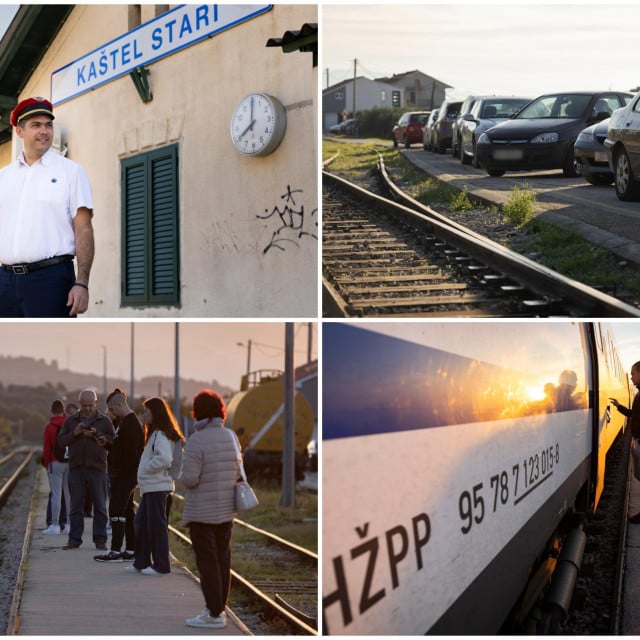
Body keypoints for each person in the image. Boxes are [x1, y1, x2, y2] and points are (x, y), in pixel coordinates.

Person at [0, 97, 94, 318]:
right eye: (36, 125)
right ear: (19, 131)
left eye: (48, 125)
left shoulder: (71, 172)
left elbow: (84, 229)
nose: (44, 131)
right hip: (4, 281)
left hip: (51, 280)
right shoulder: (3, 177)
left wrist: (82, 283)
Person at [182, 390, 241, 629]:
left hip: (202, 513)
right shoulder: (230, 436)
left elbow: (190, 479)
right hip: (226, 510)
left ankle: (214, 614)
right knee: (222, 559)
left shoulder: (197, 440)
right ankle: (218, 609)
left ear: (198, 413)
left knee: (207, 562)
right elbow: (238, 471)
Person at [127, 397, 184, 575]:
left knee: (156, 527)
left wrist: (146, 469)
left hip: (157, 486)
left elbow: (164, 458)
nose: (144, 415)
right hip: (153, 486)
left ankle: (161, 565)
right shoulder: (157, 433)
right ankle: (142, 561)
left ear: (155, 413)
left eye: (146, 411)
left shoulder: (160, 434)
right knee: (142, 523)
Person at [57, 389, 114, 549]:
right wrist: (75, 433)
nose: (87, 408)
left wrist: (100, 437)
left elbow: (113, 441)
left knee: (101, 507)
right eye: (84, 405)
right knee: (75, 507)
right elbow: (60, 442)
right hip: (76, 469)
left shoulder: (104, 421)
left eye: (90, 405)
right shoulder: (71, 421)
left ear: (96, 403)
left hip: (98, 469)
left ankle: (100, 540)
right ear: (80, 404)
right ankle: (74, 540)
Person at [94, 388, 144, 563]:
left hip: (124, 475)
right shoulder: (127, 423)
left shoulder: (130, 425)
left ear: (119, 405)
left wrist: (112, 449)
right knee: (128, 512)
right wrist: (108, 444)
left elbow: (129, 454)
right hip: (125, 475)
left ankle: (115, 551)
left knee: (116, 511)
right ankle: (131, 548)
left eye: (112, 409)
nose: (110, 413)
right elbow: (122, 449)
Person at [611, 361, 640, 522]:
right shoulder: (638, 394)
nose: (631, 377)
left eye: (633, 374)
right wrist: (618, 406)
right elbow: (632, 414)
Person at [42, 399, 70, 535]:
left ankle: (54, 525)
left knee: (56, 494)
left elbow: (47, 449)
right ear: (63, 410)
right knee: (69, 494)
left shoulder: (49, 427)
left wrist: (47, 464)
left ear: (52, 411)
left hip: (55, 463)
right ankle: (69, 525)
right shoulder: (69, 425)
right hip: (69, 462)